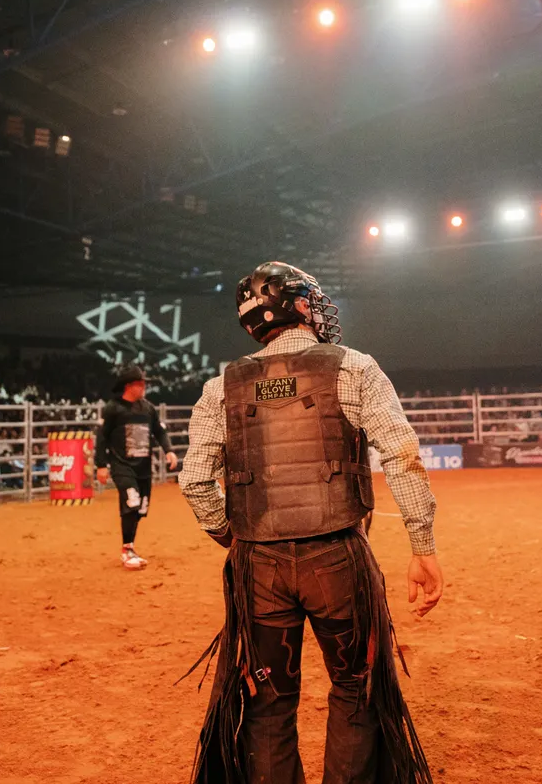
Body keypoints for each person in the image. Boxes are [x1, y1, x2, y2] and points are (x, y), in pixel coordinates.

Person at [179, 261, 442, 784]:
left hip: (258, 566)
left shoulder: (220, 387)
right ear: (300, 305)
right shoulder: (354, 367)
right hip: (338, 557)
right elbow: (401, 454)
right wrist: (422, 545)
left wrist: (234, 537)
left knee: (267, 702)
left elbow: (194, 481)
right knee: (356, 690)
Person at [95, 365, 177, 571]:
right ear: (128, 386)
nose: (143, 387)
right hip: (122, 466)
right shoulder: (113, 409)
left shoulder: (148, 408)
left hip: (143, 468)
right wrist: (101, 465)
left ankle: (130, 546)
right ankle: (127, 549)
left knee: (139, 509)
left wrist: (168, 450)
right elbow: (101, 438)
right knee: (131, 502)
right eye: (140, 384)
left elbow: (159, 431)